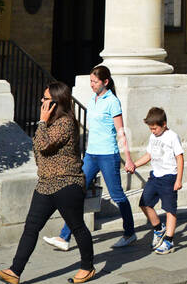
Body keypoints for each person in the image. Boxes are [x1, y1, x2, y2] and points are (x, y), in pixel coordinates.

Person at [0, 82, 95, 284]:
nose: (42, 101)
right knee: (31, 227)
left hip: (67, 182)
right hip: (46, 184)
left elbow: (44, 145)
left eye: (46, 99)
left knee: (77, 226)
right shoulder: (49, 125)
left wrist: (41, 122)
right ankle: (14, 271)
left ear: (56, 102)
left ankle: (87, 267)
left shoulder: (66, 123)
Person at [44, 64, 137, 252]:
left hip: (108, 155)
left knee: (117, 195)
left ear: (105, 82)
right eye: (91, 81)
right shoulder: (93, 99)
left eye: (95, 81)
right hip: (91, 155)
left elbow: (121, 131)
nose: (92, 85)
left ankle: (129, 233)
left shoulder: (113, 101)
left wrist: (127, 158)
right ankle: (64, 237)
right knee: (76, 193)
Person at [129, 107, 184, 254]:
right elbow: (149, 155)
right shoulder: (153, 137)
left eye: (154, 128)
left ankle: (169, 241)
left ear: (164, 124)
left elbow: (180, 158)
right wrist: (135, 165)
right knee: (144, 203)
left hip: (169, 177)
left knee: (169, 209)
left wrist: (178, 179)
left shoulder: (172, 136)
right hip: (155, 177)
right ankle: (159, 229)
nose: (152, 131)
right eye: (150, 128)